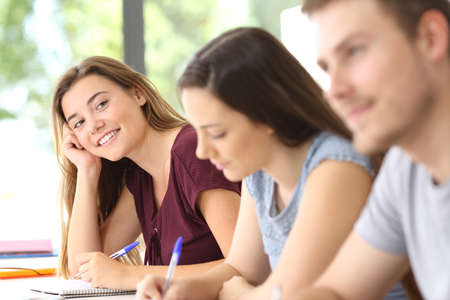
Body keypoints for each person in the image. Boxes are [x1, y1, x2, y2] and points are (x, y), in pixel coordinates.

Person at [135, 27, 406, 300]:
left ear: (267, 115)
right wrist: (185, 288)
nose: (203, 151)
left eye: (217, 132)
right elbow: (241, 268)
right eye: (198, 130)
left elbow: (284, 294)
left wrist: (236, 292)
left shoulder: (336, 166)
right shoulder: (259, 171)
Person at [286, 0, 450, 299]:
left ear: (431, 37)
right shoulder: (406, 165)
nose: (333, 90)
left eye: (354, 51)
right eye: (326, 67)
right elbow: (338, 291)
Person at [51, 56, 241, 290]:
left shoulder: (194, 152)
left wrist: (127, 275)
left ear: (138, 94)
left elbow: (243, 269)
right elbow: (84, 267)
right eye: (78, 123)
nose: (93, 126)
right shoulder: (140, 176)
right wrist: (87, 170)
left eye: (101, 105)